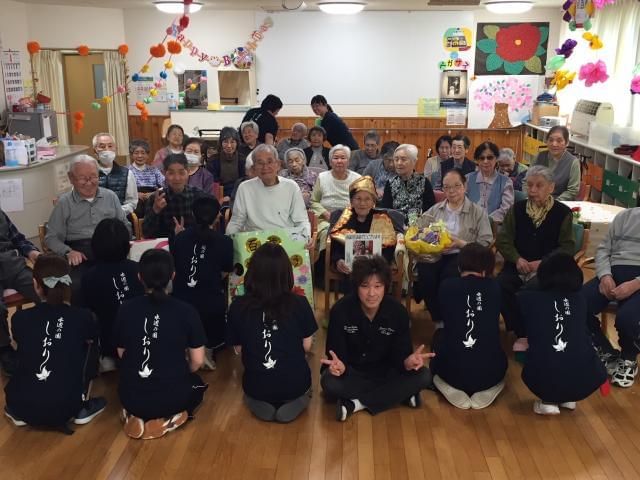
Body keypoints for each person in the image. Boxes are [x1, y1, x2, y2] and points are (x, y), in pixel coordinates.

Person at [321, 256, 433, 421]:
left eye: (378, 286)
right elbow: (336, 356)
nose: (371, 293)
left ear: (385, 287)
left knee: (424, 376)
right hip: (353, 374)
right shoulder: (340, 310)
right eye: (365, 286)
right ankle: (399, 395)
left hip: (387, 373)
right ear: (356, 287)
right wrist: (339, 367)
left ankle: (356, 404)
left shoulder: (397, 312)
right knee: (329, 382)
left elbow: (401, 358)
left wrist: (409, 362)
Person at [4, 254, 106, 431]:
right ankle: (81, 406)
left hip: (19, 403)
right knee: (89, 345)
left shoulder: (20, 318)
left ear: (35, 284)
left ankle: (22, 411)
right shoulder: (83, 317)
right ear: (68, 282)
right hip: (67, 405)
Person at [115, 249, 208, 440]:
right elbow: (198, 361)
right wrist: (183, 369)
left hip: (129, 395)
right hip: (172, 398)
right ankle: (169, 418)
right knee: (197, 385)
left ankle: (134, 415)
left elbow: (121, 353)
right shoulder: (186, 311)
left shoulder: (125, 309)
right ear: (173, 275)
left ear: (140, 277)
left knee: (136, 386)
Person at [227, 242, 317, 423]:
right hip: (296, 384)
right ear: (287, 274)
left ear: (252, 272)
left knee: (254, 389)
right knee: (298, 383)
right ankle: (298, 399)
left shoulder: (237, 306)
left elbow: (238, 350)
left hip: (256, 386)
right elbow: (307, 346)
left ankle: (257, 401)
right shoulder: (300, 303)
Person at [495, 165, 575, 352]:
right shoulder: (517, 209)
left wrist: (543, 263)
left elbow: (567, 247)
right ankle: (521, 331)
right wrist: (517, 259)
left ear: (551, 188)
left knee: (531, 290)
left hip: (547, 268)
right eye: (529, 185)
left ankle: (538, 331)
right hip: (518, 264)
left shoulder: (563, 213)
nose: (532, 190)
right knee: (501, 285)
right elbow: (503, 240)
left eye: (539, 186)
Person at [519, 252, 607, 415]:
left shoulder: (528, 298)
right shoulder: (580, 300)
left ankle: (547, 402)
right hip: (584, 382)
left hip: (543, 379)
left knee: (537, 354)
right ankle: (568, 399)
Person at [430, 244, 507, 410]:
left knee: (438, 336)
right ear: (487, 269)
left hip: (452, 372)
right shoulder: (495, 288)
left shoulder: (446, 286)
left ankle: (444, 384)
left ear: (459, 266)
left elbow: (445, 316)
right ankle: (490, 387)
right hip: (490, 373)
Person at [414, 169, 493, 329]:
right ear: (443, 189)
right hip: (435, 254)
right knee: (426, 276)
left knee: (447, 279)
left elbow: (486, 241)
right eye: (447, 187)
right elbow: (417, 228)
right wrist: (428, 239)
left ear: (465, 186)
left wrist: (459, 243)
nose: (451, 191)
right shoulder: (436, 209)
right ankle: (438, 319)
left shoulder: (477, 212)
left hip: (462, 255)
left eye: (456, 186)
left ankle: (451, 318)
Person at [45, 155, 130, 303]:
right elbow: (51, 237)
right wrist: (68, 252)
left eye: (93, 177)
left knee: (127, 278)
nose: (89, 183)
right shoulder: (64, 203)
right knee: (77, 286)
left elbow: (125, 226)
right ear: (71, 178)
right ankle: (88, 321)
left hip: (111, 250)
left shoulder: (110, 197)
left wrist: (125, 241)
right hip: (80, 253)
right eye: (83, 178)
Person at [173, 196, 233, 371]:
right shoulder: (225, 241)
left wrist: (178, 236)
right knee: (213, 309)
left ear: (192, 214)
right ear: (217, 217)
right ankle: (206, 350)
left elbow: (177, 266)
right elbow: (225, 271)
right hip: (211, 305)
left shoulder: (180, 238)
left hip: (181, 303)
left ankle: (188, 349)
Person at [582, 207, 640, 388]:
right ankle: (606, 351)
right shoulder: (625, 216)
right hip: (612, 275)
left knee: (627, 319)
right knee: (576, 306)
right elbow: (603, 250)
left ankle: (629, 358)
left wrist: (635, 284)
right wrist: (605, 275)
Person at [81, 219, 144, 373]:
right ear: (127, 245)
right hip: (142, 337)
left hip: (110, 343)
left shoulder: (89, 276)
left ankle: (108, 358)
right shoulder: (138, 268)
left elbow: (88, 311)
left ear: (95, 245)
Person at [226, 144, 312, 245]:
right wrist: (228, 241)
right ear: (254, 168)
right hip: (255, 243)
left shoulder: (291, 187)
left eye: (270, 161)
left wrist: (306, 237)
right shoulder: (244, 188)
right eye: (260, 163)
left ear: (278, 165)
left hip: (285, 242)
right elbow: (236, 222)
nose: (265, 167)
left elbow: (301, 220)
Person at [329, 176, 403, 274]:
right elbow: (336, 246)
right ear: (351, 201)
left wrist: (378, 264)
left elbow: (388, 248)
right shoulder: (344, 218)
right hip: (350, 270)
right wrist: (339, 260)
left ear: (373, 202)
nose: (362, 203)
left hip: (376, 268)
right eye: (358, 198)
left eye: (367, 199)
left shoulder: (382, 219)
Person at [142, 154, 207, 242]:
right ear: (164, 173)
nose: (177, 178)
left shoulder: (198, 195)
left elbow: (206, 228)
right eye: (171, 173)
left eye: (181, 173)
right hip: (166, 247)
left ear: (188, 172)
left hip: (193, 245)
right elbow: (147, 233)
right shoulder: (156, 198)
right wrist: (155, 210)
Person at [310, 144, 361, 251]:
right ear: (330, 162)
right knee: (327, 233)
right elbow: (314, 201)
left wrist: (348, 217)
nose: (339, 161)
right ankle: (326, 264)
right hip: (326, 220)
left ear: (348, 161)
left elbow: (363, 202)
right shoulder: (322, 177)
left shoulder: (357, 179)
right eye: (336, 158)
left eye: (343, 158)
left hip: (351, 219)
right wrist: (325, 213)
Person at [380, 144, 436, 223]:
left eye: (403, 159)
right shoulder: (390, 183)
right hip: (396, 229)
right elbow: (385, 211)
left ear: (413, 162)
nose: (399, 163)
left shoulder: (424, 182)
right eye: (396, 159)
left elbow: (430, 211)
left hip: (419, 229)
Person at [466, 141, 514, 224]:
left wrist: (488, 221)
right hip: (469, 224)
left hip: (494, 227)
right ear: (477, 160)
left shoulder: (506, 182)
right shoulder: (467, 178)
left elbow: (506, 208)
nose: (485, 161)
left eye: (490, 157)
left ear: (497, 159)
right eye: (482, 158)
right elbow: (461, 203)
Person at [93, 133, 138, 216]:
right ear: (95, 151)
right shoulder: (89, 174)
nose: (107, 149)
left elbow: (132, 202)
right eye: (102, 147)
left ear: (115, 149)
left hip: (120, 218)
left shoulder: (127, 173)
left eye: (110, 146)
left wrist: (117, 212)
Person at [532, 126, 580, 201]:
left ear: (567, 143)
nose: (554, 144)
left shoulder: (573, 162)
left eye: (559, 141)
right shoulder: (538, 157)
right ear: (546, 141)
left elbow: (572, 191)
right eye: (551, 140)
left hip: (559, 203)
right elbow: (527, 181)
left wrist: (553, 203)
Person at [128, 139, 164, 218]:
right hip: (134, 198)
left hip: (152, 197)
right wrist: (135, 194)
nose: (140, 156)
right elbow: (123, 189)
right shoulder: (126, 170)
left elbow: (166, 185)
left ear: (147, 155)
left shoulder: (154, 170)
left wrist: (153, 194)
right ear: (131, 155)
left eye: (143, 153)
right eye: (136, 153)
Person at [207, 126, 247, 197]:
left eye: (232, 142)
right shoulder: (213, 160)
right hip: (219, 194)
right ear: (221, 143)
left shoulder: (243, 160)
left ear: (237, 143)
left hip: (239, 194)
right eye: (225, 142)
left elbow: (244, 181)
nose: (229, 146)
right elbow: (213, 183)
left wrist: (232, 195)